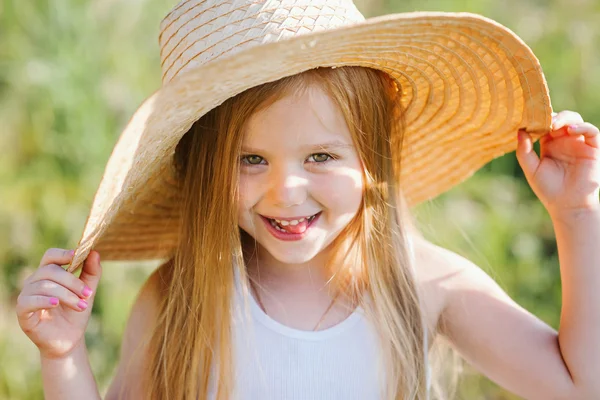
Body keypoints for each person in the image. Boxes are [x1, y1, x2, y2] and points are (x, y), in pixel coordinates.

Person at [15, 0, 600, 399]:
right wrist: (63, 356)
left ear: (374, 156)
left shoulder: (422, 283)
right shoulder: (181, 294)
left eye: (320, 156)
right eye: (250, 160)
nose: (285, 192)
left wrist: (576, 215)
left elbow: (580, 384)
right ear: (205, 172)